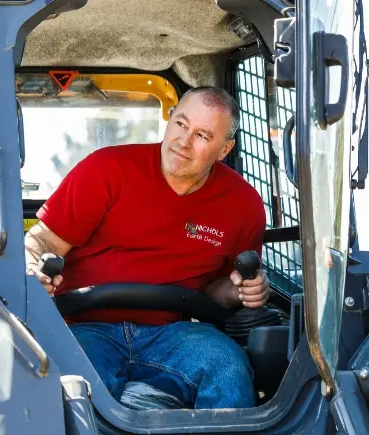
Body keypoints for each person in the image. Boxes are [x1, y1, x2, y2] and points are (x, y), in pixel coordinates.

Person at [24, 86, 269, 410]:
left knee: (228, 366)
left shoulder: (243, 204)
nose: (183, 140)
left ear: (224, 149)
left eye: (202, 135)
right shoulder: (106, 170)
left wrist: (243, 291)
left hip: (173, 334)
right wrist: (33, 268)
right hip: (85, 328)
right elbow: (42, 240)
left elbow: (219, 290)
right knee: (69, 382)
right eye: (181, 124)